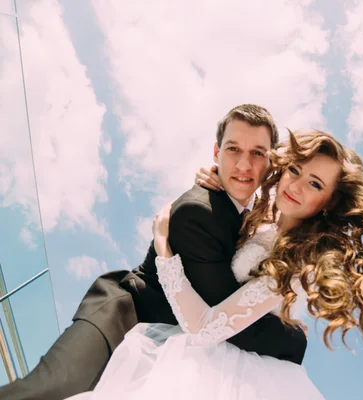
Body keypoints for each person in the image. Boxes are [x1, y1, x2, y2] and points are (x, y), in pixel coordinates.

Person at [65, 130, 363, 399]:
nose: (295, 185)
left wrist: (165, 252)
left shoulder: (299, 262)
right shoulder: (259, 222)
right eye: (295, 170)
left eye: (315, 184)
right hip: (186, 351)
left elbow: (204, 330)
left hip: (226, 371)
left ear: (329, 202)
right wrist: (210, 177)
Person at [0, 104, 308, 400]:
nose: (244, 165)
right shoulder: (198, 211)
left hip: (172, 338)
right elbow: (223, 312)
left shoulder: (257, 215)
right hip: (126, 313)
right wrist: (293, 339)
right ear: (216, 153)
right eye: (233, 149)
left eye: (257, 153)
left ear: (271, 162)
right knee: (51, 389)